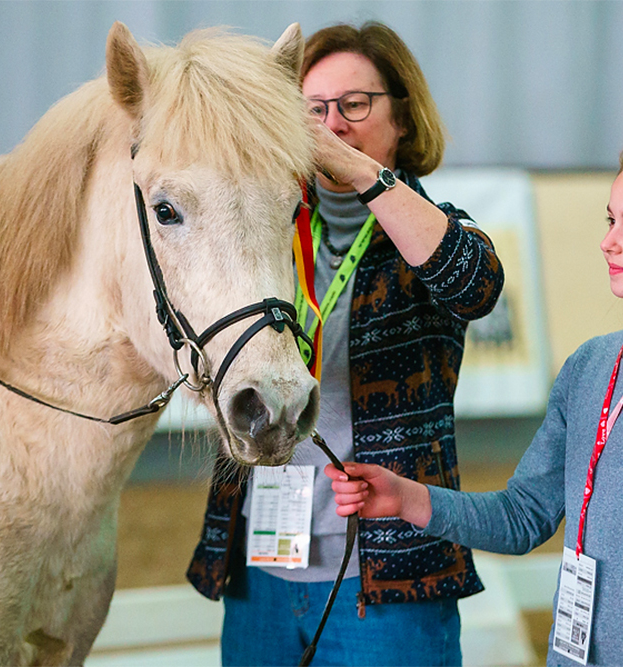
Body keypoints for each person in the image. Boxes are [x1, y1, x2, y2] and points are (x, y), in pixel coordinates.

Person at [326, 139, 623, 666]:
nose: (609, 242)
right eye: (611, 220)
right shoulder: (589, 365)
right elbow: (523, 516)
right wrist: (406, 498)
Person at [187, 21, 504, 666]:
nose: (332, 125)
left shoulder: (429, 234)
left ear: (404, 120)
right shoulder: (264, 233)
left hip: (387, 579)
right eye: (312, 110)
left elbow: (476, 286)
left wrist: (360, 172)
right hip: (261, 573)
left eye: (354, 106)